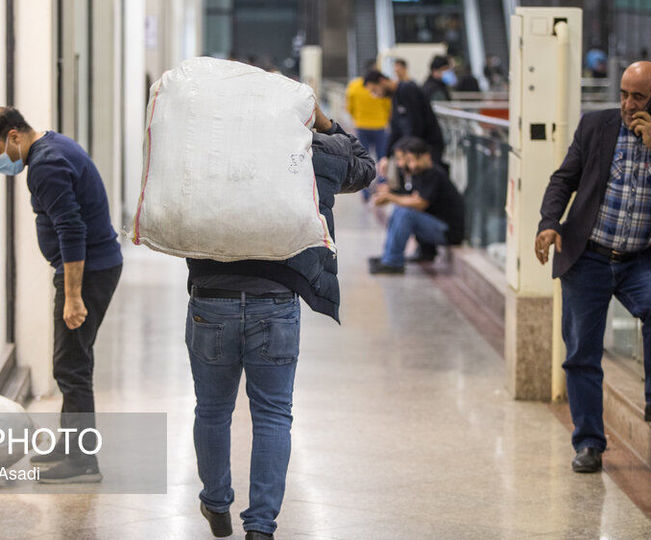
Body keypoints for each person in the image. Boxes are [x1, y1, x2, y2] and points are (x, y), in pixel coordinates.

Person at [186, 102, 374, 540]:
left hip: (211, 298)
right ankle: (261, 526)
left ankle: (215, 501)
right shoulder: (304, 152)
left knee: (212, 410)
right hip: (276, 300)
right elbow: (365, 167)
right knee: (273, 414)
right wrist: (326, 121)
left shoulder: (203, 150)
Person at [534, 61, 651, 474]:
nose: (627, 103)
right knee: (582, 353)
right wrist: (549, 224)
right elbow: (562, 180)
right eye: (623, 94)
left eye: (637, 96)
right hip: (588, 255)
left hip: (641, 259)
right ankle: (589, 444)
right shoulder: (595, 126)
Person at [0, 106, 123, 483]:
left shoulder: (46, 166)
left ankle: (83, 461)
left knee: (71, 365)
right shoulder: (52, 148)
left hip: (88, 272)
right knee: (71, 360)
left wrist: (73, 296)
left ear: (13, 136)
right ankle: (71, 445)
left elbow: (72, 231)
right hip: (96, 267)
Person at [368, 137, 465, 274]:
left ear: (426, 156)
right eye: (409, 161)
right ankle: (388, 257)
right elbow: (408, 198)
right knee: (400, 210)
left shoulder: (435, 174)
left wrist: (391, 197)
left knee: (405, 213)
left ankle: (393, 262)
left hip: (448, 232)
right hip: (436, 227)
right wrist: (389, 196)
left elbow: (420, 203)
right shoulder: (419, 174)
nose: (411, 165)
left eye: (414, 160)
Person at [363, 69, 445, 167]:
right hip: (413, 149)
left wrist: (407, 151)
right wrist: (386, 156)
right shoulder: (395, 97)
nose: (376, 95)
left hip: (426, 148)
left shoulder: (407, 89)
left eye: (374, 90)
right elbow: (395, 129)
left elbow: (416, 124)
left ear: (382, 81)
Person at [345, 59, 391, 199]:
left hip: (361, 126)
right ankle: (382, 188)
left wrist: (357, 118)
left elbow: (349, 107)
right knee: (382, 157)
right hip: (380, 127)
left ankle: (365, 190)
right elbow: (388, 105)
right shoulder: (379, 86)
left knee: (363, 159)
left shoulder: (354, 86)